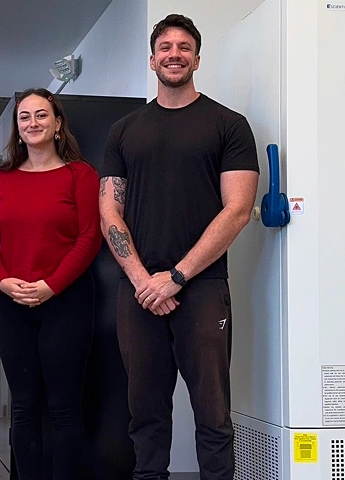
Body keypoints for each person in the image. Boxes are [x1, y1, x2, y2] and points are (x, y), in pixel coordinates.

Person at [99, 14, 259, 480]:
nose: (174, 54)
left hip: (203, 288)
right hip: (139, 292)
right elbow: (110, 212)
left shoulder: (229, 125)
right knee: (145, 415)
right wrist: (143, 281)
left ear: (197, 59)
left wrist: (176, 277)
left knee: (213, 415)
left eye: (184, 47)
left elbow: (237, 210)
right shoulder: (124, 130)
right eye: (165, 47)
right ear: (152, 60)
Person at [0, 88, 102, 479]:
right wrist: (2, 281)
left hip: (67, 302)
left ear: (58, 124)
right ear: (17, 128)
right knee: (24, 406)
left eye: (41, 115)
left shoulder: (81, 175)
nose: (33, 123)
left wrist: (52, 285)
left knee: (64, 407)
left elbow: (90, 238)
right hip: (12, 304)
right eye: (25, 117)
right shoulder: (0, 180)